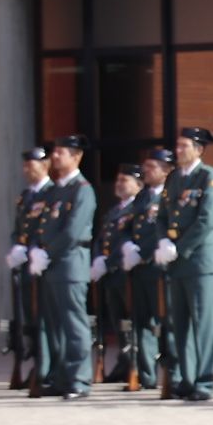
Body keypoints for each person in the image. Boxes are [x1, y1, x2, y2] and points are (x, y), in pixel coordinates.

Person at [159, 125, 213, 401]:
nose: (178, 150)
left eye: (184, 146)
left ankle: (205, 380)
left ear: (198, 149)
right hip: (177, 261)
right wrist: (163, 241)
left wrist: (179, 248)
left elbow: (206, 220)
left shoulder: (207, 176)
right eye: (178, 145)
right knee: (180, 323)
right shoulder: (173, 178)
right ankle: (186, 377)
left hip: (199, 261)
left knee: (203, 322)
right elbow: (162, 215)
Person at [31, 134, 97, 398]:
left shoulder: (82, 189)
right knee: (55, 325)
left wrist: (47, 252)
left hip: (70, 264)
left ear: (76, 157)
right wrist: (36, 249)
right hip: (53, 265)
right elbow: (43, 225)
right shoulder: (56, 190)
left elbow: (72, 231)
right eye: (55, 152)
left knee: (73, 323)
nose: (55, 157)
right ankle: (61, 376)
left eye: (61, 153)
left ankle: (79, 379)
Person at [121, 147, 172, 391]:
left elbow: (160, 231)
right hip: (138, 269)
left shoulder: (169, 195)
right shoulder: (142, 197)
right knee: (140, 322)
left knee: (163, 321)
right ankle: (146, 374)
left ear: (166, 170)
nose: (145, 171)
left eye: (151, 167)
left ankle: (171, 372)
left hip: (157, 267)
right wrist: (127, 246)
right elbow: (125, 225)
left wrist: (141, 252)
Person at [4, 146, 52, 391]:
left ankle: (45, 368)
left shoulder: (51, 193)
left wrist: (33, 248)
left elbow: (48, 229)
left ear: (44, 166)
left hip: (42, 265)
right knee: (29, 319)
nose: (26, 170)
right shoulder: (25, 196)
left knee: (43, 318)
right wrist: (16, 247)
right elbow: (18, 229)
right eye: (24, 166)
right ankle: (36, 363)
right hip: (26, 266)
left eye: (30, 165)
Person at [92, 161, 141, 383]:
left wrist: (108, 261)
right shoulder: (114, 211)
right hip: (110, 275)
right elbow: (102, 239)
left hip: (125, 274)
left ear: (138, 184)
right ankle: (123, 360)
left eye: (125, 180)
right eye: (118, 179)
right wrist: (97, 259)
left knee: (130, 321)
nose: (119, 184)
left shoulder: (137, 209)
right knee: (117, 321)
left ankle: (134, 361)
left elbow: (127, 242)